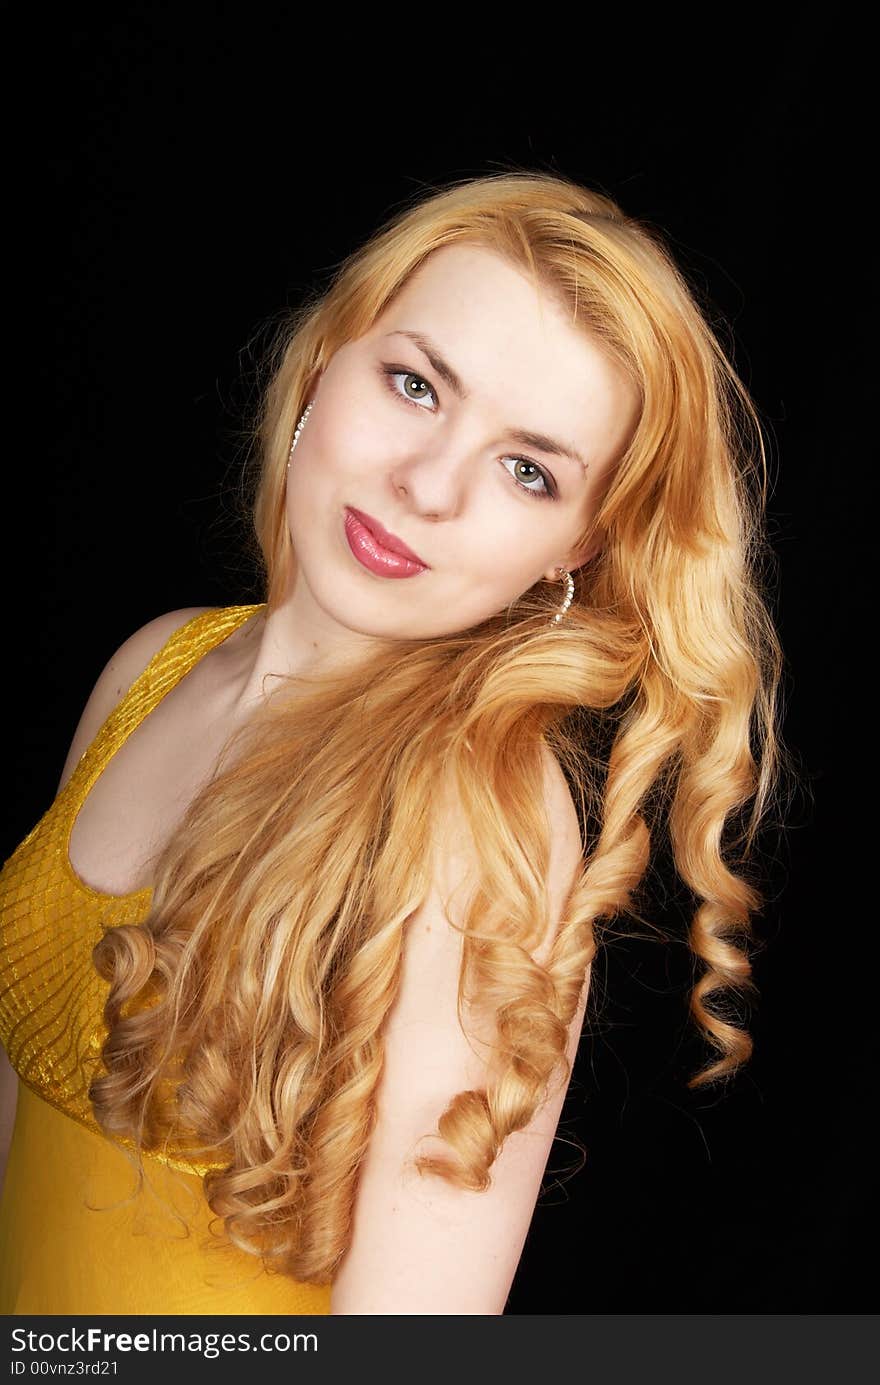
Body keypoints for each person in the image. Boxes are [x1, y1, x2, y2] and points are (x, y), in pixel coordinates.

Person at [0, 169, 783, 1315]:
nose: (426, 485)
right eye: (415, 383)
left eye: (528, 469)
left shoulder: (483, 827)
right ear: (328, 360)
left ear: (575, 542)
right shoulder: (155, 663)